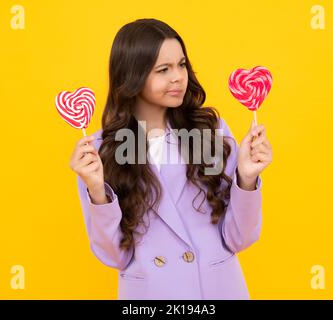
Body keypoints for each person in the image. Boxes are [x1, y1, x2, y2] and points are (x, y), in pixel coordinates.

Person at [70, 18, 273, 299]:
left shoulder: (208, 132)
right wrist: (97, 191)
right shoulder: (100, 150)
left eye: (182, 65)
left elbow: (239, 237)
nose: (178, 76)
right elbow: (115, 255)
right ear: (132, 77)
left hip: (216, 291)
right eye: (163, 69)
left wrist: (246, 179)